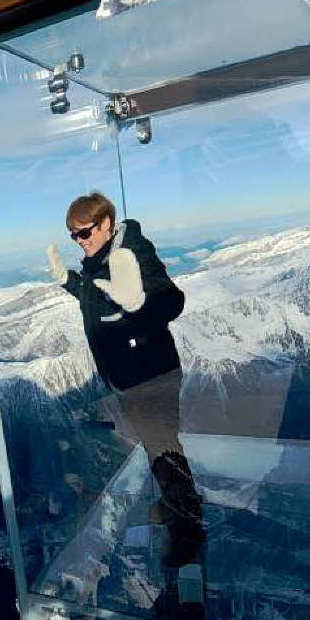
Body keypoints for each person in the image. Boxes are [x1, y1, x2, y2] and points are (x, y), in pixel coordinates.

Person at [46, 191, 203, 568]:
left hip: (150, 375)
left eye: (83, 233)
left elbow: (171, 301)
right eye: (73, 236)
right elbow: (97, 297)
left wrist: (140, 304)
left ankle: (188, 534)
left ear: (106, 223)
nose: (78, 241)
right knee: (159, 446)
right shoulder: (99, 257)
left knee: (164, 450)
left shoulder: (130, 252)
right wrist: (69, 279)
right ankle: (174, 504)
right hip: (130, 374)